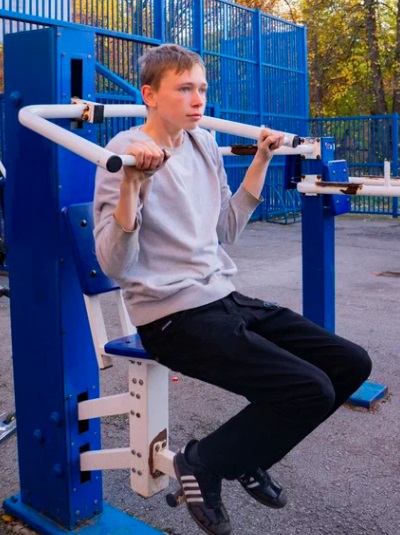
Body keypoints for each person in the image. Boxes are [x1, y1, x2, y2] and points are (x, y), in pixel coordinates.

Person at [94, 43, 372, 535]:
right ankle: (203, 463)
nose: (198, 99)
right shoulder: (124, 151)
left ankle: (245, 456)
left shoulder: (202, 143)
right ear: (150, 95)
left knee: (350, 363)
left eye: (202, 88)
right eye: (184, 88)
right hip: (171, 317)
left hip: (222, 297)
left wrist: (262, 159)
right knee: (308, 390)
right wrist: (133, 187)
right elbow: (116, 264)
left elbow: (226, 229)